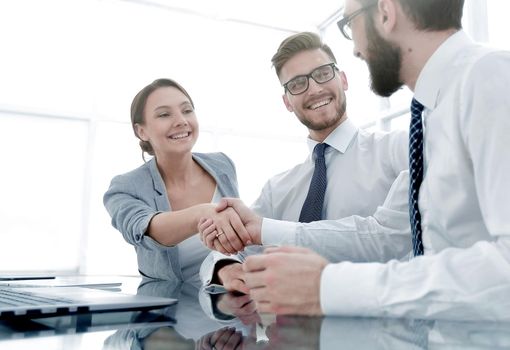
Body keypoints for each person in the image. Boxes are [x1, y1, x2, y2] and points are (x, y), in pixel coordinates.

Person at [229, 0, 510, 320]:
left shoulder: (489, 76)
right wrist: (262, 228)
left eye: (350, 24)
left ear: (385, 13)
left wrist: (329, 286)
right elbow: (385, 234)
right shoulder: (430, 117)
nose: (357, 50)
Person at [199, 32, 411, 293]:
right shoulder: (277, 189)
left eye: (323, 74)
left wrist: (264, 230)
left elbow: (391, 241)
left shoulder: (398, 151)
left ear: (343, 79)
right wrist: (226, 266)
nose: (314, 89)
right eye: (298, 83)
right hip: (292, 329)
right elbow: (227, 253)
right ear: (287, 101)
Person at [103, 78, 247, 281]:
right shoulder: (125, 187)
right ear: (141, 131)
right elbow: (143, 230)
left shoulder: (222, 165)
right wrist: (203, 213)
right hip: (170, 306)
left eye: (187, 110)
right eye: (164, 114)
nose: (181, 121)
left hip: (229, 296)